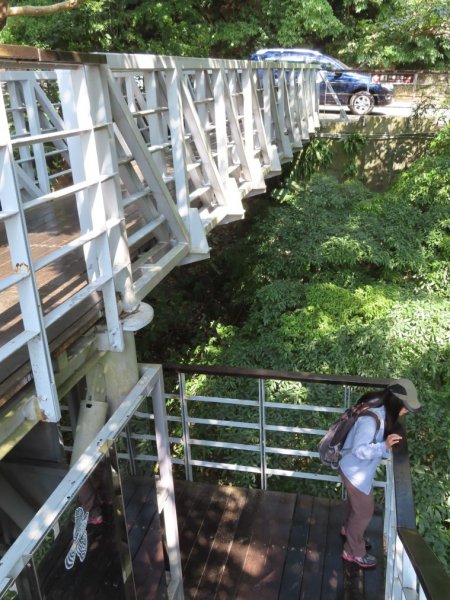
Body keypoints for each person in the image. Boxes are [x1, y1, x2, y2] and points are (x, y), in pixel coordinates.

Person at [339, 378, 421, 568]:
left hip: (356, 469)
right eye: (405, 407)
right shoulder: (370, 420)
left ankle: (349, 532)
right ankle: (353, 551)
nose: (406, 411)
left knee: (357, 507)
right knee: (365, 510)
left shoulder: (382, 412)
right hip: (354, 471)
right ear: (395, 403)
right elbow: (359, 450)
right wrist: (384, 445)